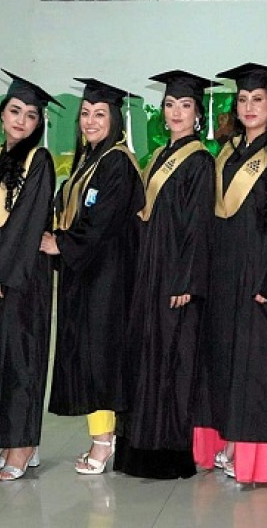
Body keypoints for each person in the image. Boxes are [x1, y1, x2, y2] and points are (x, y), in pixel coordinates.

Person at [194, 62, 267, 491]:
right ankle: (233, 442)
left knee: (259, 368)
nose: (249, 106)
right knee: (229, 361)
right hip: (225, 277)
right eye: (242, 100)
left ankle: (258, 457)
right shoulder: (227, 153)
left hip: (261, 278)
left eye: (257, 99)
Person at [113, 70, 216, 480]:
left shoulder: (200, 162)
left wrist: (185, 280)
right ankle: (137, 448)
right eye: (170, 105)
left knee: (173, 361)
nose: (176, 112)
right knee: (146, 360)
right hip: (148, 275)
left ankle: (168, 454)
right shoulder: (156, 157)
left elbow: (198, 226)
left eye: (185, 106)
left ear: (197, 114)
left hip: (175, 280)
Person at [41, 78, 144, 475]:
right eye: (85, 114)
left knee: (101, 360)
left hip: (108, 277)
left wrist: (62, 245)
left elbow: (101, 223)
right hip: (90, 275)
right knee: (91, 358)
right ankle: (102, 438)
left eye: (100, 114)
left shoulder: (116, 161)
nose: (90, 121)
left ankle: (103, 444)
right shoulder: (91, 159)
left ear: (115, 119)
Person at [0, 70, 57, 481]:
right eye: (15, 111)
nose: (22, 120)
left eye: (30, 114)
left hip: (23, 277)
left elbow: (27, 220)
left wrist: (2, 272)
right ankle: (10, 439)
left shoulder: (38, 160)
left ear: (39, 122)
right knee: (0, 359)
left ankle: (24, 447)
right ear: (2, 115)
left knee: (23, 359)